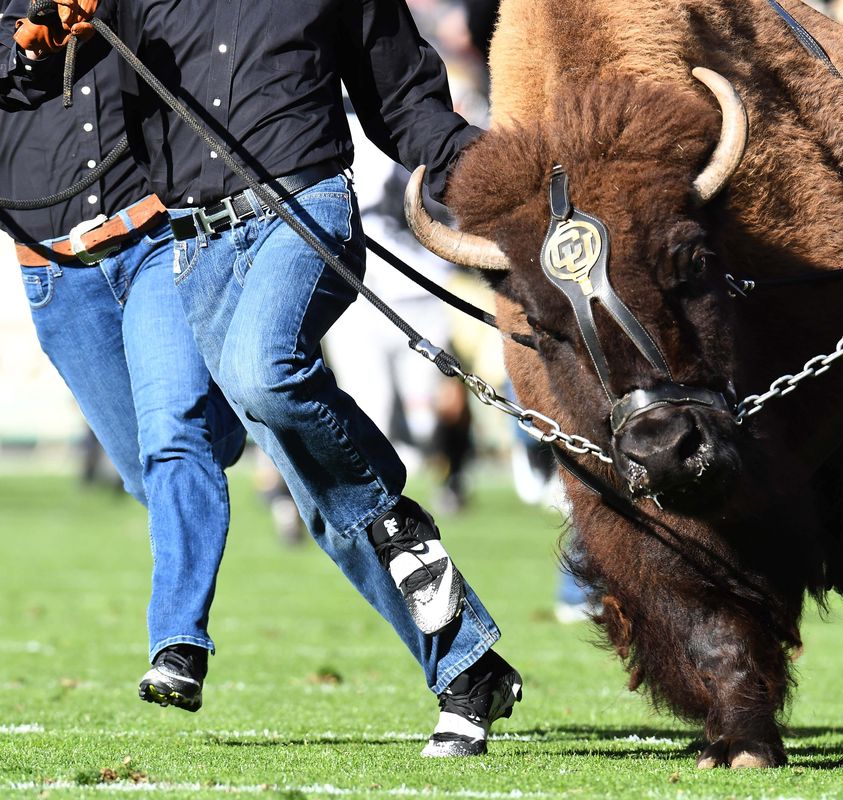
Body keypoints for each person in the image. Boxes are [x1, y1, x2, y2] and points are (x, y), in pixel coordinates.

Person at [7, 0, 520, 757]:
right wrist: (38, 33)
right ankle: (467, 667)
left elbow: (404, 99)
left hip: (303, 208)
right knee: (313, 493)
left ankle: (372, 526)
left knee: (263, 374)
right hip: (194, 244)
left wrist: (498, 179)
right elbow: (65, 82)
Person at [0, 5, 246, 712]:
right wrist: (25, 42)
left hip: (155, 242)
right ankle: (242, 402)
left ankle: (178, 645)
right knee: (155, 467)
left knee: (173, 437)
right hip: (54, 272)